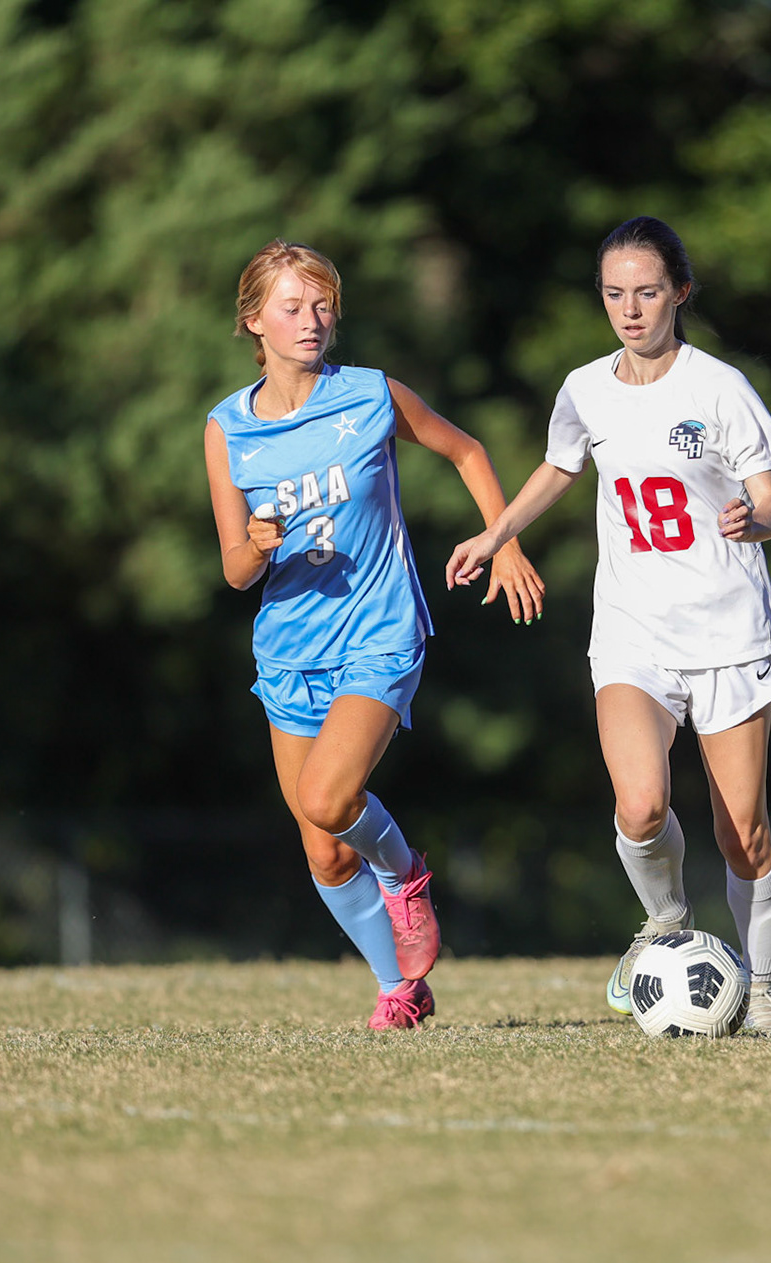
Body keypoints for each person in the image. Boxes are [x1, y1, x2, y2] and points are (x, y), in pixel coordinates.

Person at [444, 216, 771, 1034]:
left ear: (679, 292)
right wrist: (498, 533)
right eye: (615, 294)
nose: (631, 310)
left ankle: (768, 989)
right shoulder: (585, 388)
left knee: (741, 833)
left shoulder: (719, 387)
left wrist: (761, 517)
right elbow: (560, 465)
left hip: (729, 636)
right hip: (632, 634)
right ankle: (666, 925)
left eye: (646, 292)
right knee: (640, 806)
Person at [204, 239, 544, 1029]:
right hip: (289, 652)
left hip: (379, 633)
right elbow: (233, 570)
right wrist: (256, 543)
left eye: (323, 305)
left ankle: (405, 873)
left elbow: (466, 449)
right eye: (293, 307)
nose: (312, 320)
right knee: (323, 848)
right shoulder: (226, 428)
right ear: (254, 320)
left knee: (330, 798)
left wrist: (506, 542)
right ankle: (402, 988)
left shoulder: (370, 395)